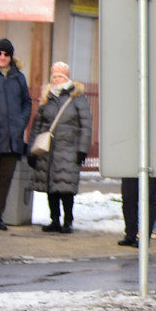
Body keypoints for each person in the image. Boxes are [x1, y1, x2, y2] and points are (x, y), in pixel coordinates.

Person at [26, 62, 92, 234]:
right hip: (48, 150)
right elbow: (37, 126)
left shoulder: (77, 98)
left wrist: (82, 150)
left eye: (60, 77)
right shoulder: (47, 98)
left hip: (69, 150)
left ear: (67, 78)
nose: (57, 79)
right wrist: (32, 150)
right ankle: (54, 219)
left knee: (66, 188)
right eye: (54, 76)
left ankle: (68, 220)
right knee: (51, 187)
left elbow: (86, 126)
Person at [0, 38, 32, 230]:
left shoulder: (18, 77)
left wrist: (20, 123)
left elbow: (27, 102)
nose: (2, 57)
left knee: (5, 180)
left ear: (11, 56)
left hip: (12, 140)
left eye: (6, 54)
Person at [118, 176, 156, 247]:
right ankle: (130, 235)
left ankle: (145, 238)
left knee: (149, 197)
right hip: (130, 166)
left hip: (153, 167)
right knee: (128, 196)